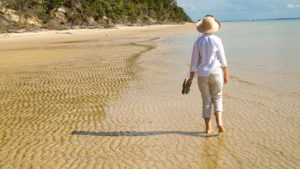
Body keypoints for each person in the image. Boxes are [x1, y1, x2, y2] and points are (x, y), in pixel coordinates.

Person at [187, 15, 228, 134]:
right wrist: (226, 75)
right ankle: (219, 123)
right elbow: (223, 61)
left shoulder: (198, 41)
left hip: (202, 75)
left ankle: (208, 127)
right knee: (218, 98)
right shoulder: (217, 40)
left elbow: (194, 63)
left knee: (206, 101)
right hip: (216, 73)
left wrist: (190, 79)